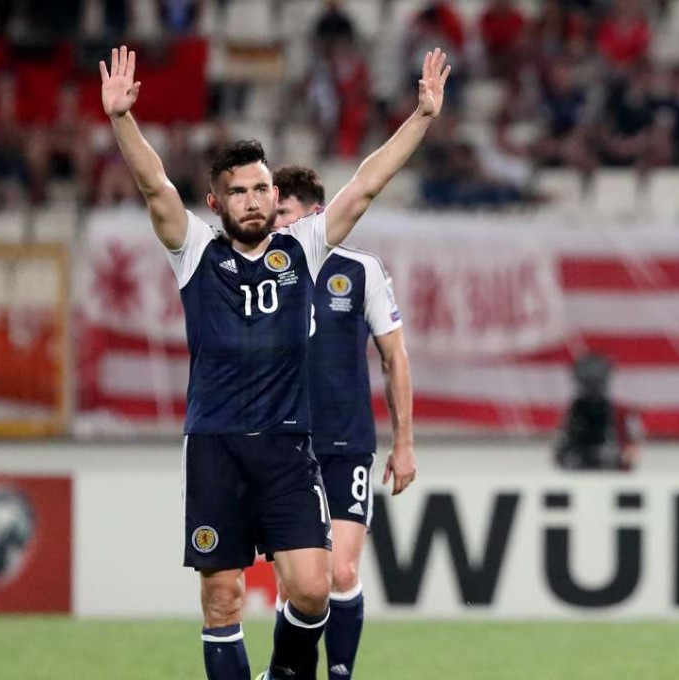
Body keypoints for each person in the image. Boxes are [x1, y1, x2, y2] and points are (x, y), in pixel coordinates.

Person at [99, 45, 449, 680]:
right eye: (241, 192)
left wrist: (422, 116)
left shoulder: (303, 249)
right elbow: (154, 185)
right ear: (216, 202)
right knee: (222, 596)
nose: (256, 200)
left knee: (313, 589)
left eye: (263, 188)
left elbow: (367, 182)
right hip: (214, 445)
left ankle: (285, 674)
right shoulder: (195, 254)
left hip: (289, 447)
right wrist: (123, 120)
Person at [271, 166, 415, 679]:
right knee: (295, 585)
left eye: (282, 213)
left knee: (341, 569)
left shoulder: (360, 271)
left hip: (345, 443)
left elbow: (394, 356)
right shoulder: (265, 270)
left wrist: (404, 442)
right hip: (282, 447)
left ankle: (340, 673)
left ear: (313, 214)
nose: (273, 224)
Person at [554, 353, 642, 471]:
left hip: (611, 474)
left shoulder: (621, 412)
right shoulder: (574, 409)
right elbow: (560, 450)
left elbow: (632, 450)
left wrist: (619, 457)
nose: (592, 386)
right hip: (579, 471)